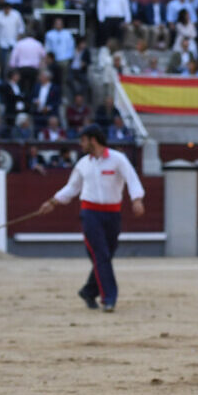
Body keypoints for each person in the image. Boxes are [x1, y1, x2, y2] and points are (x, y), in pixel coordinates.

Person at [38, 124, 145, 312]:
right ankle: (109, 298)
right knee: (101, 255)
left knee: (105, 255)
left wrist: (137, 199)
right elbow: (72, 188)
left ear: (93, 140)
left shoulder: (117, 159)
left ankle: (88, 291)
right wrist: (53, 202)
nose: (81, 144)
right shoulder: (83, 164)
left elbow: (132, 179)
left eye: (83, 140)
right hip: (90, 214)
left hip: (113, 214)